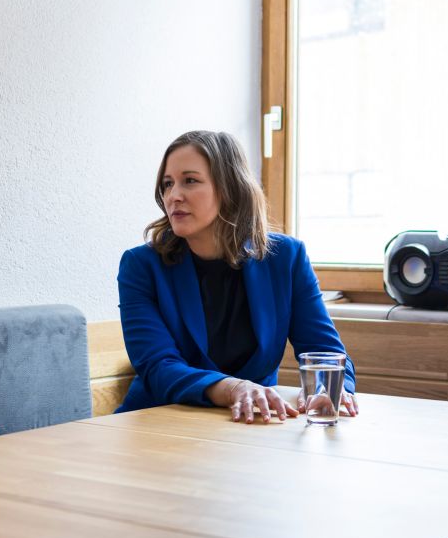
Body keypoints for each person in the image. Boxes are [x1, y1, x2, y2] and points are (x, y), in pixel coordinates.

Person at [117, 129, 356, 422]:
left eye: (190, 181)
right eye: (168, 184)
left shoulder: (286, 258)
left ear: (229, 188)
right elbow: (158, 367)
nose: (173, 196)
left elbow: (323, 349)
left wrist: (326, 389)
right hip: (159, 422)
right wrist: (234, 388)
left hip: (250, 425)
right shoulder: (140, 266)